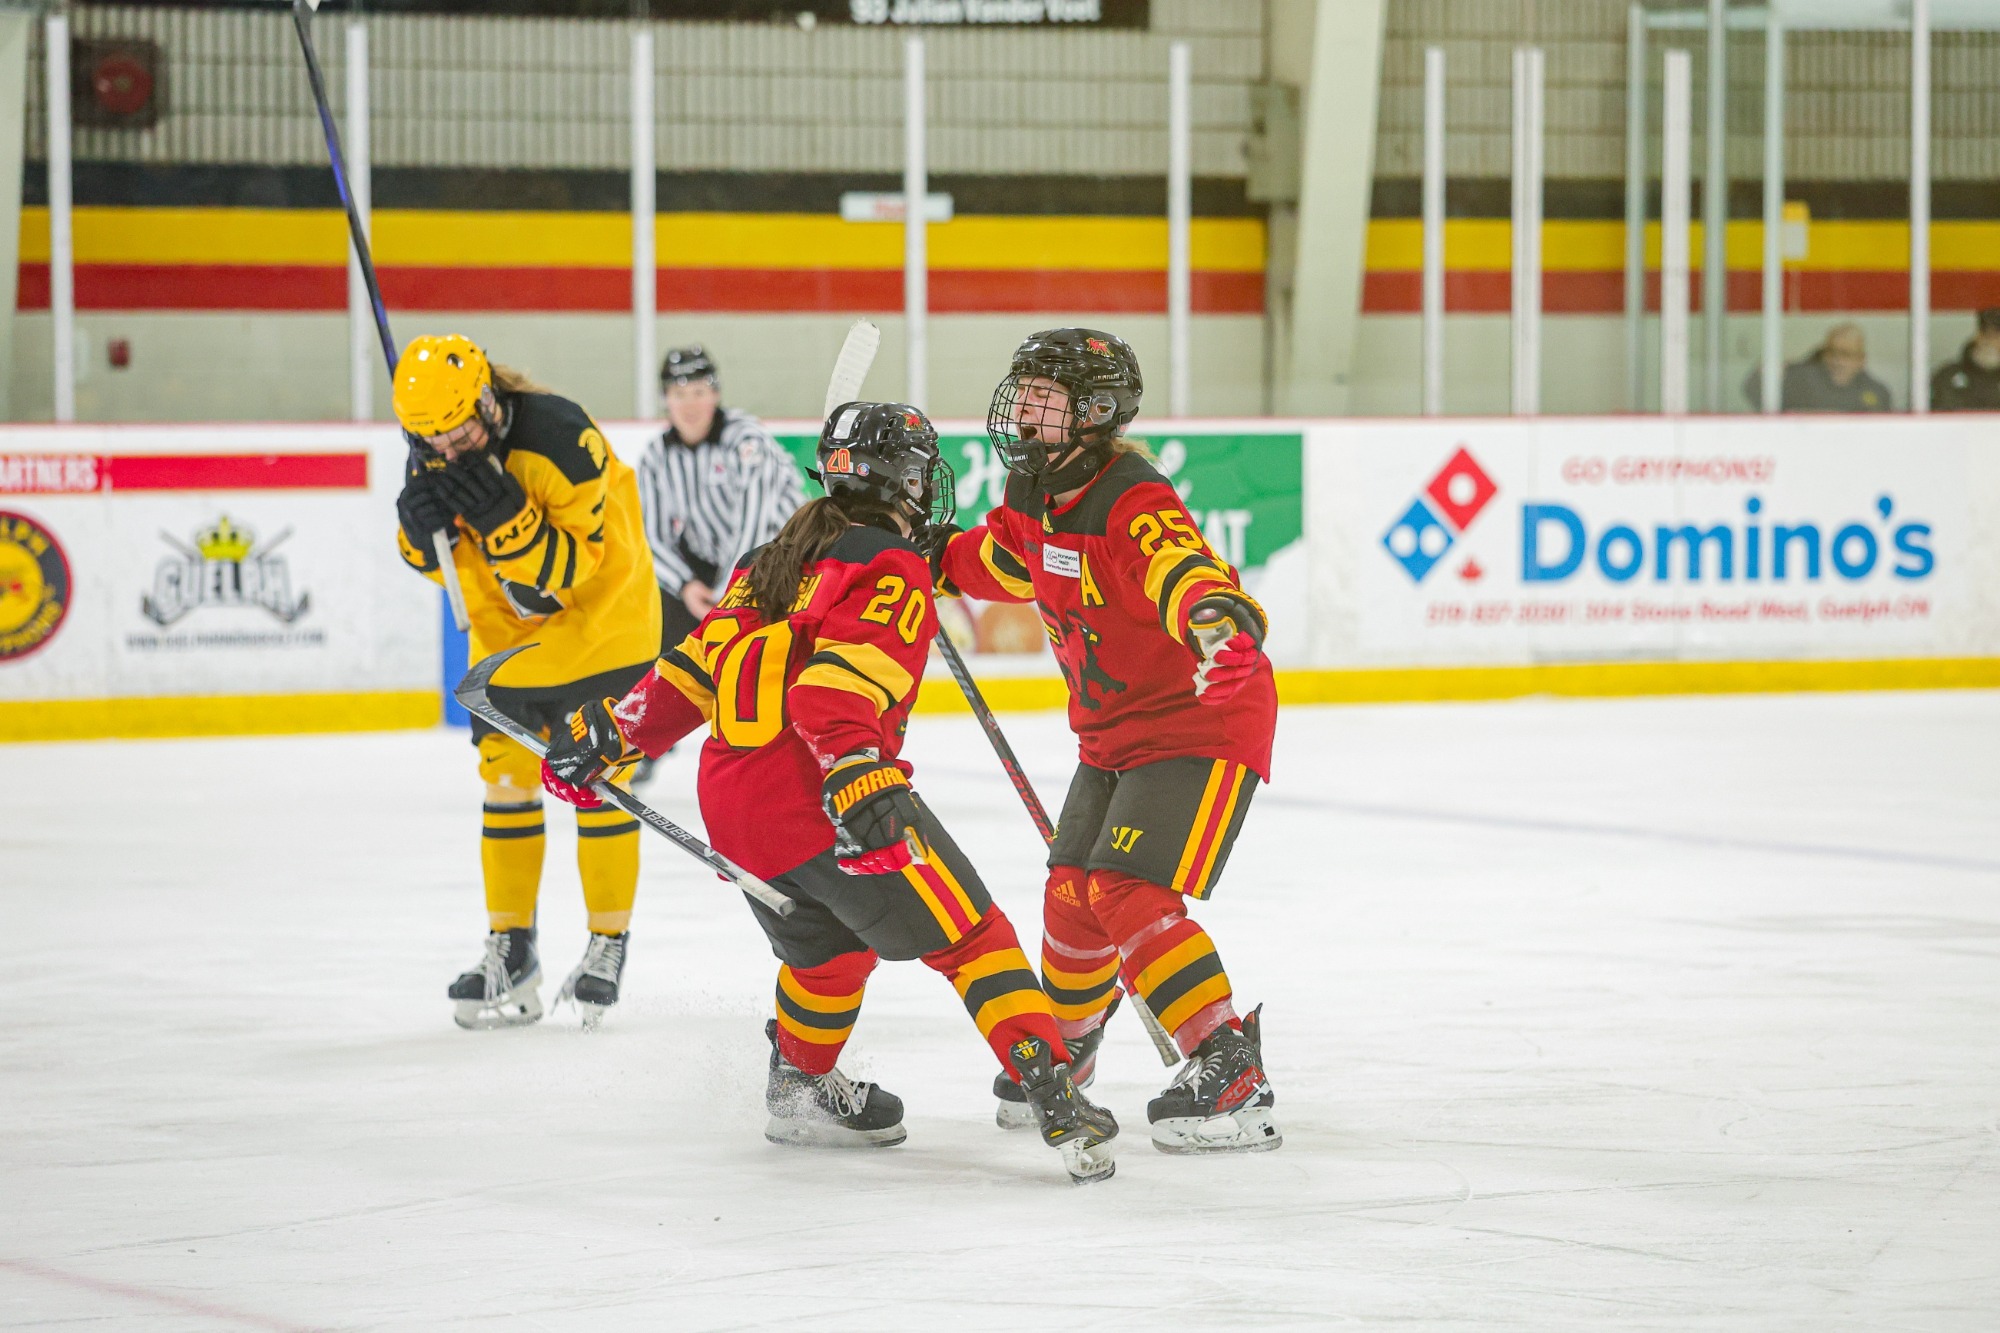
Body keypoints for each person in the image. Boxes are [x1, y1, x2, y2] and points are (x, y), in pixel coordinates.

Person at [540, 402, 1119, 1183]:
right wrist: (857, 780)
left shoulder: (766, 561)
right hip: (821, 797)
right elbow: (830, 695)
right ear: (903, 481)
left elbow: (691, 672)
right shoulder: (890, 566)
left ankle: (800, 1085)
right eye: (919, 473)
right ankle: (1054, 1090)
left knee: (831, 955)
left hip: (735, 809)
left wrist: (610, 735)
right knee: (972, 935)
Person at [923, 328, 1281, 1156]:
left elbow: (1184, 567)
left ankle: (1228, 1064)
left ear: (1095, 413)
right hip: (1114, 737)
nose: (1023, 411)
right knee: (1069, 893)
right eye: (1025, 392)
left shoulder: (1132, 497)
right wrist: (930, 555)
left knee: (1122, 887)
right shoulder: (1032, 490)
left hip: (1202, 714)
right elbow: (1005, 560)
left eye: (1044, 397)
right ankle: (1070, 1054)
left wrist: (1218, 628)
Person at [393, 335, 661, 1031]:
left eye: (463, 430)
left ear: (487, 397)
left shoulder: (563, 437)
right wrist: (421, 537)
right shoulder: (434, 445)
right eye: (434, 440)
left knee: (605, 776)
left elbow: (569, 569)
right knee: (506, 780)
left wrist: (502, 516)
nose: (451, 447)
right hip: (510, 647)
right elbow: (449, 568)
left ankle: (608, 943)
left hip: (603, 626)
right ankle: (512, 949)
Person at [636, 346, 805, 651]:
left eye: (699, 392)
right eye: (678, 393)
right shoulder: (655, 457)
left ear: (715, 394)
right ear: (665, 399)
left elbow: (756, 526)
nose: (690, 404)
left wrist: (730, 591)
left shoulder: (746, 440)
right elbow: (652, 536)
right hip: (711, 573)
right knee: (668, 631)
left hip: (779, 563)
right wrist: (686, 585)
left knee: (767, 655)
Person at [1741, 323, 1892, 412]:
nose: (1837, 360)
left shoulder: (1876, 392)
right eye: (1831, 352)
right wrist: (1763, 373)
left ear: (1861, 360)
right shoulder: (1802, 378)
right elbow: (1752, 390)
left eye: (1845, 354)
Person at [1930, 308, 2000, 412]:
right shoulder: (1946, 378)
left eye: (1997, 334)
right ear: (1977, 334)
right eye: (1986, 332)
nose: (1991, 340)